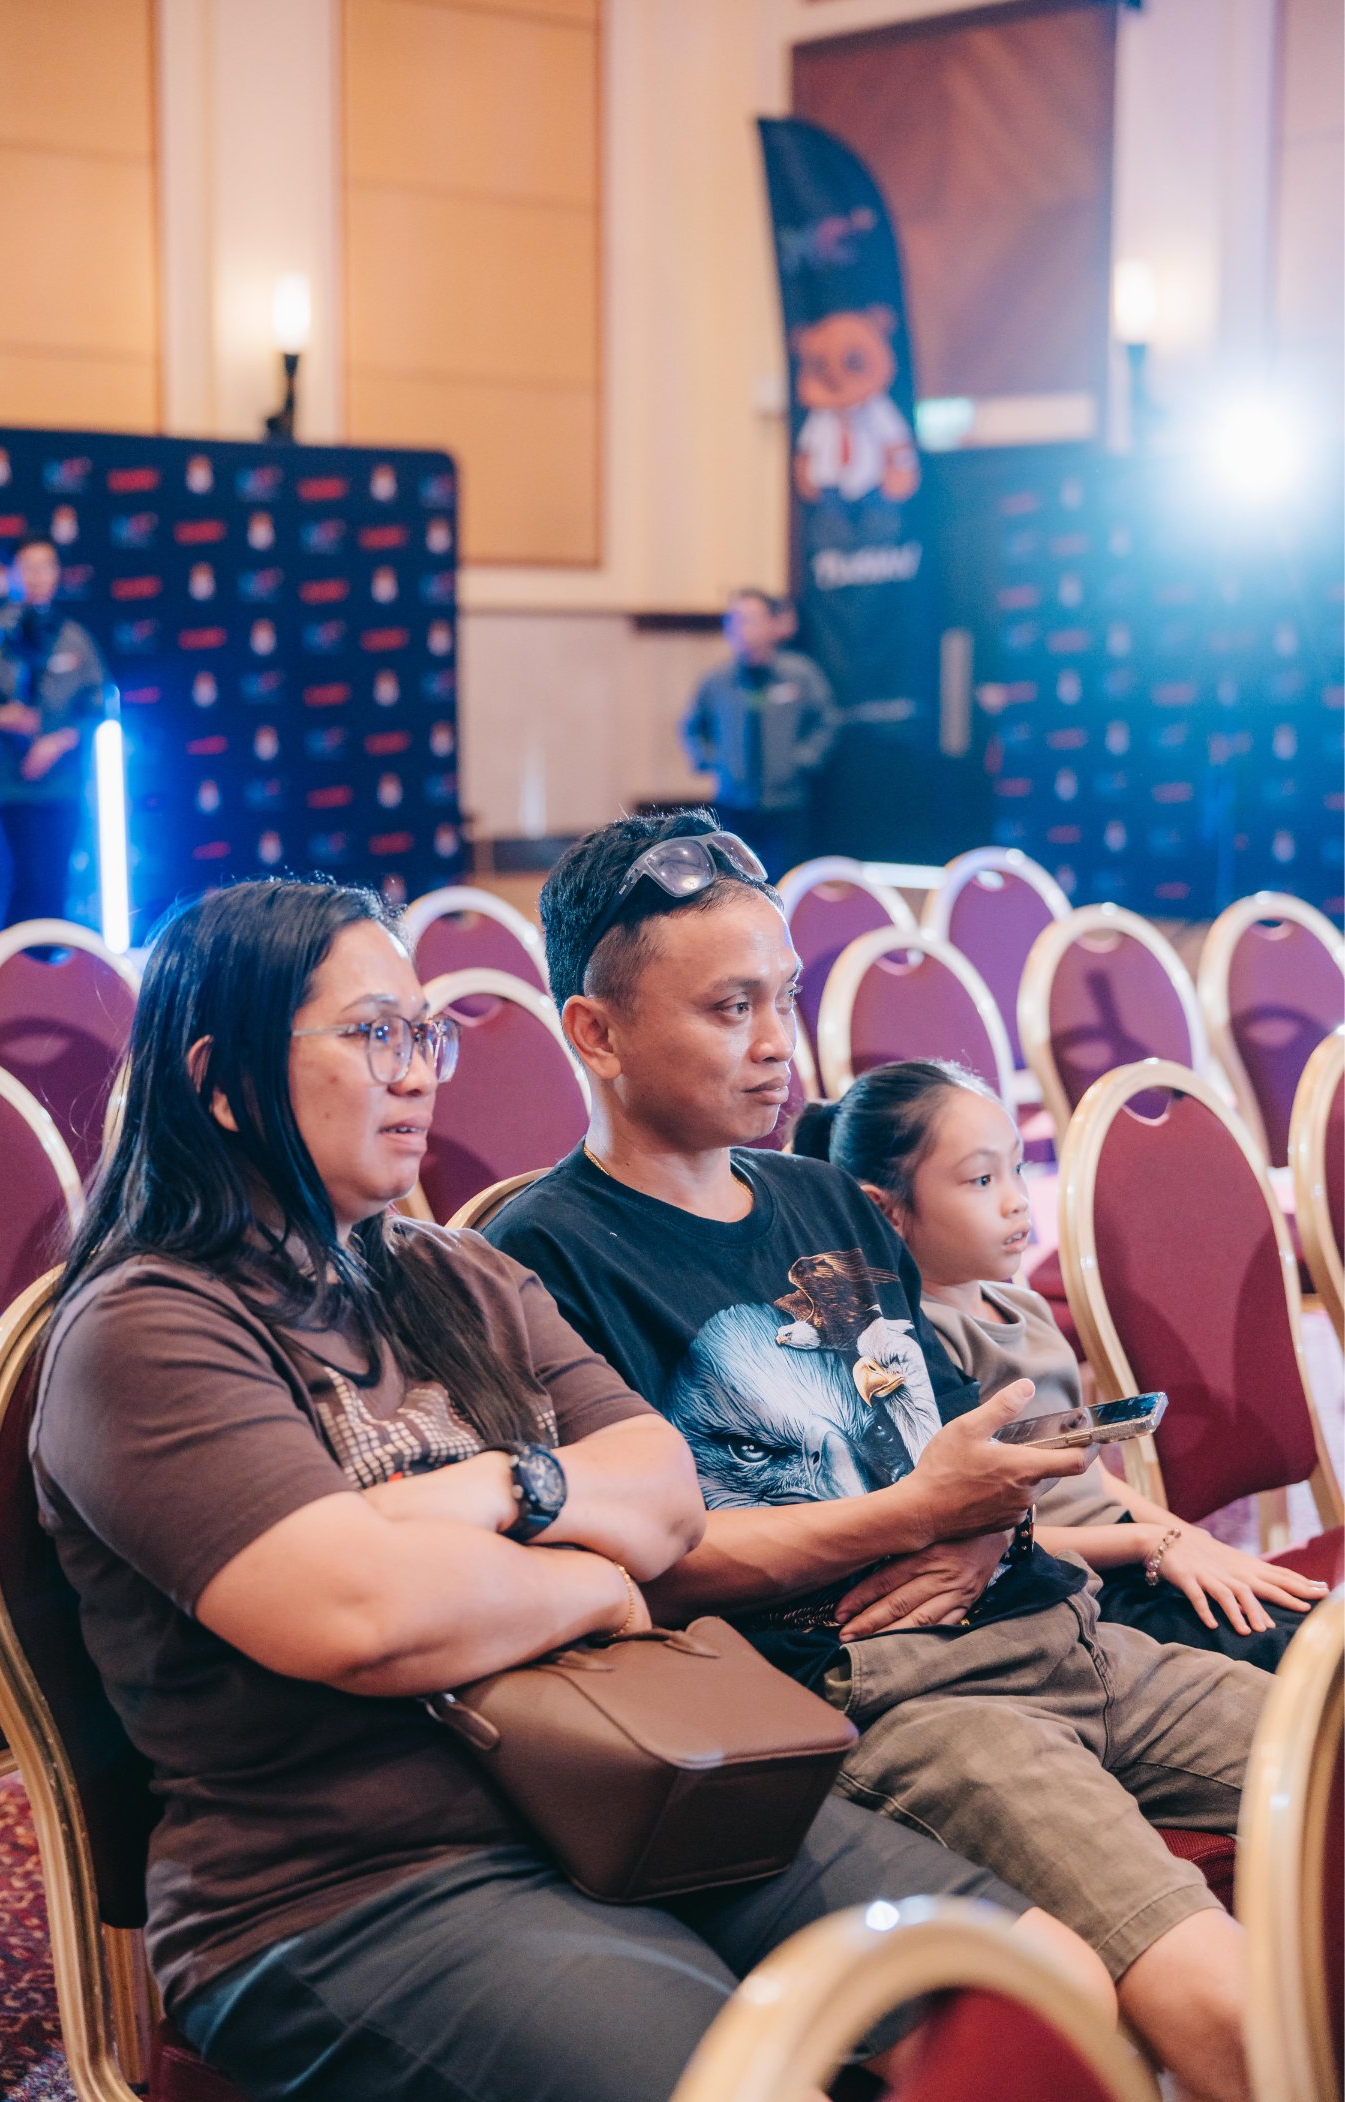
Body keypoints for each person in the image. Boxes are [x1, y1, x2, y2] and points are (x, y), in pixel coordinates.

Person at [32, 876, 1091, 2102]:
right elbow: (359, 1616)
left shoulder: (456, 1272)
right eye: (373, 1033)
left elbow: (664, 1494)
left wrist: (507, 1489)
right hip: (358, 1881)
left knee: (1038, 1996)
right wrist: (594, 1584)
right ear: (220, 1079)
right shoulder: (147, 1329)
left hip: (631, 1782)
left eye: (424, 1033)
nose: (418, 1074)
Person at [486, 808, 1274, 2102]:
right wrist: (916, 1511)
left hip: (1062, 1628)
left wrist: (981, 1518)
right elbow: (638, 1566)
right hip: (899, 1699)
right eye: (729, 1007)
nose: (776, 1042)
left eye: (784, 998)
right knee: (1226, 1998)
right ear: (597, 1032)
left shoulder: (821, 1198)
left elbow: (954, 1443)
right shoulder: (542, 1253)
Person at [790, 1060, 1329, 1672]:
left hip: (1123, 1549)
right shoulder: (916, 1349)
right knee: (1304, 1666)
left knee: (1313, 1632)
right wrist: (1150, 1542)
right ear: (883, 1211)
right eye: (982, 1179)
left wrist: (1185, 1537)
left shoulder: (1021, 1306)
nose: (1017, 1201)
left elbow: (1086, 1479)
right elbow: (968, 1541)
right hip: (1070, 1584)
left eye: (1017, 1168)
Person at [0, 536, 106, 925]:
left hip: (64, 778)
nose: (38, 576)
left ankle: (50, 959)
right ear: (8, 574)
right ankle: (15, 961)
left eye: (47, 566)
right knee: (26, 877)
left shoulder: (73, 636)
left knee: (56, 880)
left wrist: (60, 741)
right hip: (6, 778)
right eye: (29, 567)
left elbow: (98, 704)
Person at [679, 588, 838, 880]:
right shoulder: (716, 680)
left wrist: (803, 759)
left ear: (773, 624)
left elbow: (827, 720)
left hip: (787, 805)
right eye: (734, 620)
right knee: (734, 883)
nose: (743, 628)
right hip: (732, 805)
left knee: (786, 881)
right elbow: (692, 728)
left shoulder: (799, 674)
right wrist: (713, 761)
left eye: (751, 619)